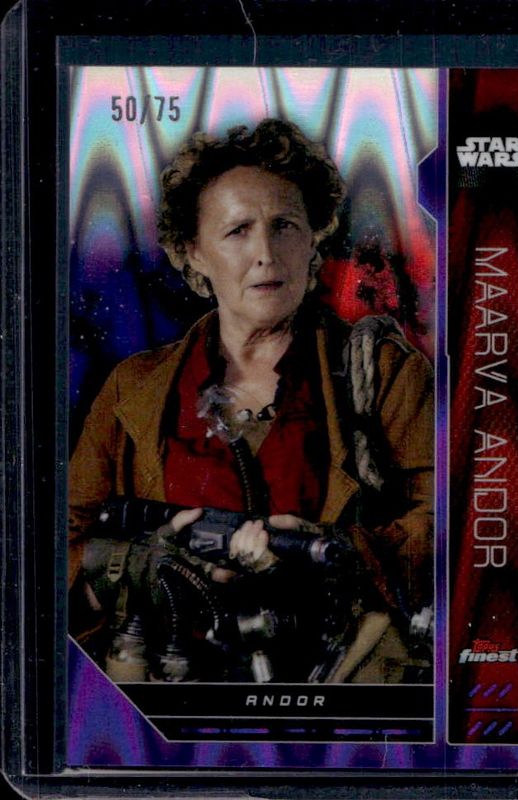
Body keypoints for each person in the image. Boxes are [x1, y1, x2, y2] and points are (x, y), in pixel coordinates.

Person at [68, 118, 433, 684]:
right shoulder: (132, 388)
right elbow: (58, 544)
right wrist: (128, 571)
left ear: (314, 239)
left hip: (332, 689)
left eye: (284, 226)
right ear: (193, 253)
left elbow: (454, 524)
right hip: (172, 691)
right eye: (237, 231)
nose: (266, 253)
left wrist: (338, 552)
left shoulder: (382, 372)